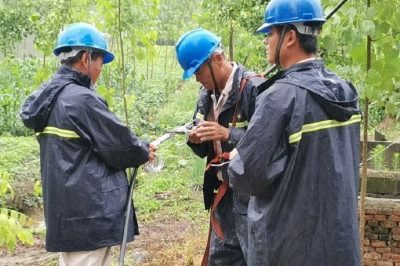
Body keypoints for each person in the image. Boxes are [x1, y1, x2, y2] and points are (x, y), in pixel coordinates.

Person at [227, 0, 362, 265]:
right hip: (339, 247)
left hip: (288, 249)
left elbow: (248, 174)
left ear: (289, 37)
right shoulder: (345, 91)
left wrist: (234, 160)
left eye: (270, 33)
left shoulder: (280, 98)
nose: (266, 41)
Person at [20, 22, 155, 266]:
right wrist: (143, 150)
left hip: (68, 212)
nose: (100, 70)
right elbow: (119, 145)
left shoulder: (51, 97)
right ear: (86, 58)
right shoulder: (81, 100)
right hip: (89, 213)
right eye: (100, 62)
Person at [175, 28, 264, 265]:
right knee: (221, 259)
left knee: (255, 257)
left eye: (199, 71)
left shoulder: (254, 90)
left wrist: (229, 134)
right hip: (223, 196)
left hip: (252, 198)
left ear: (217, 59)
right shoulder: (206, 95)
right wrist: (196, 140)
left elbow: (268, 146)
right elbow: (206, 147)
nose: (197, 79)